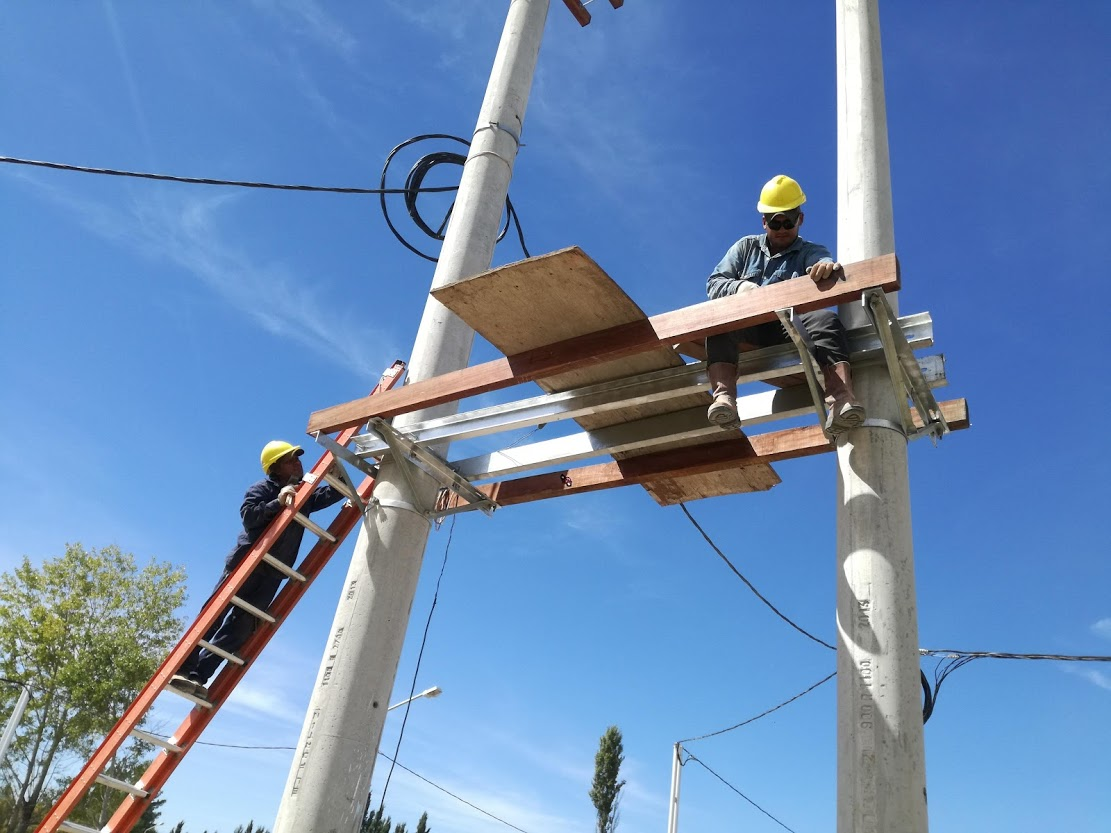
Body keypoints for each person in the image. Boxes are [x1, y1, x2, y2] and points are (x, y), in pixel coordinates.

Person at [170, 440, 345, 699]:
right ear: (275, 467)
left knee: (240, 628)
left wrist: (338, 478)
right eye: (291, 459)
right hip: (247, 563)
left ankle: (199, 675)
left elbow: (330, 495)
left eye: (298, 458)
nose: (298, 462)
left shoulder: (302, 493)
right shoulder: (262, 488)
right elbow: (250, 516)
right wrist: (277, 502)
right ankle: (183, 669)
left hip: (273, 572)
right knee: (215, 616)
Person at [704, 174, 865, 436]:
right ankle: (724, 400)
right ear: (764, 221)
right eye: (774, 222)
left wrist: (822, 269)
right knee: (718, 323)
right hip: (748, 326)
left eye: (788, 221)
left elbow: (820, 262)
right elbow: (715, 283)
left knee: (826, 320)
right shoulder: (746, 248)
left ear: (800, 219)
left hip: (788, 327)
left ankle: (841, 399)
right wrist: (741, 288)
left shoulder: (809, 251)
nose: (781, 228)